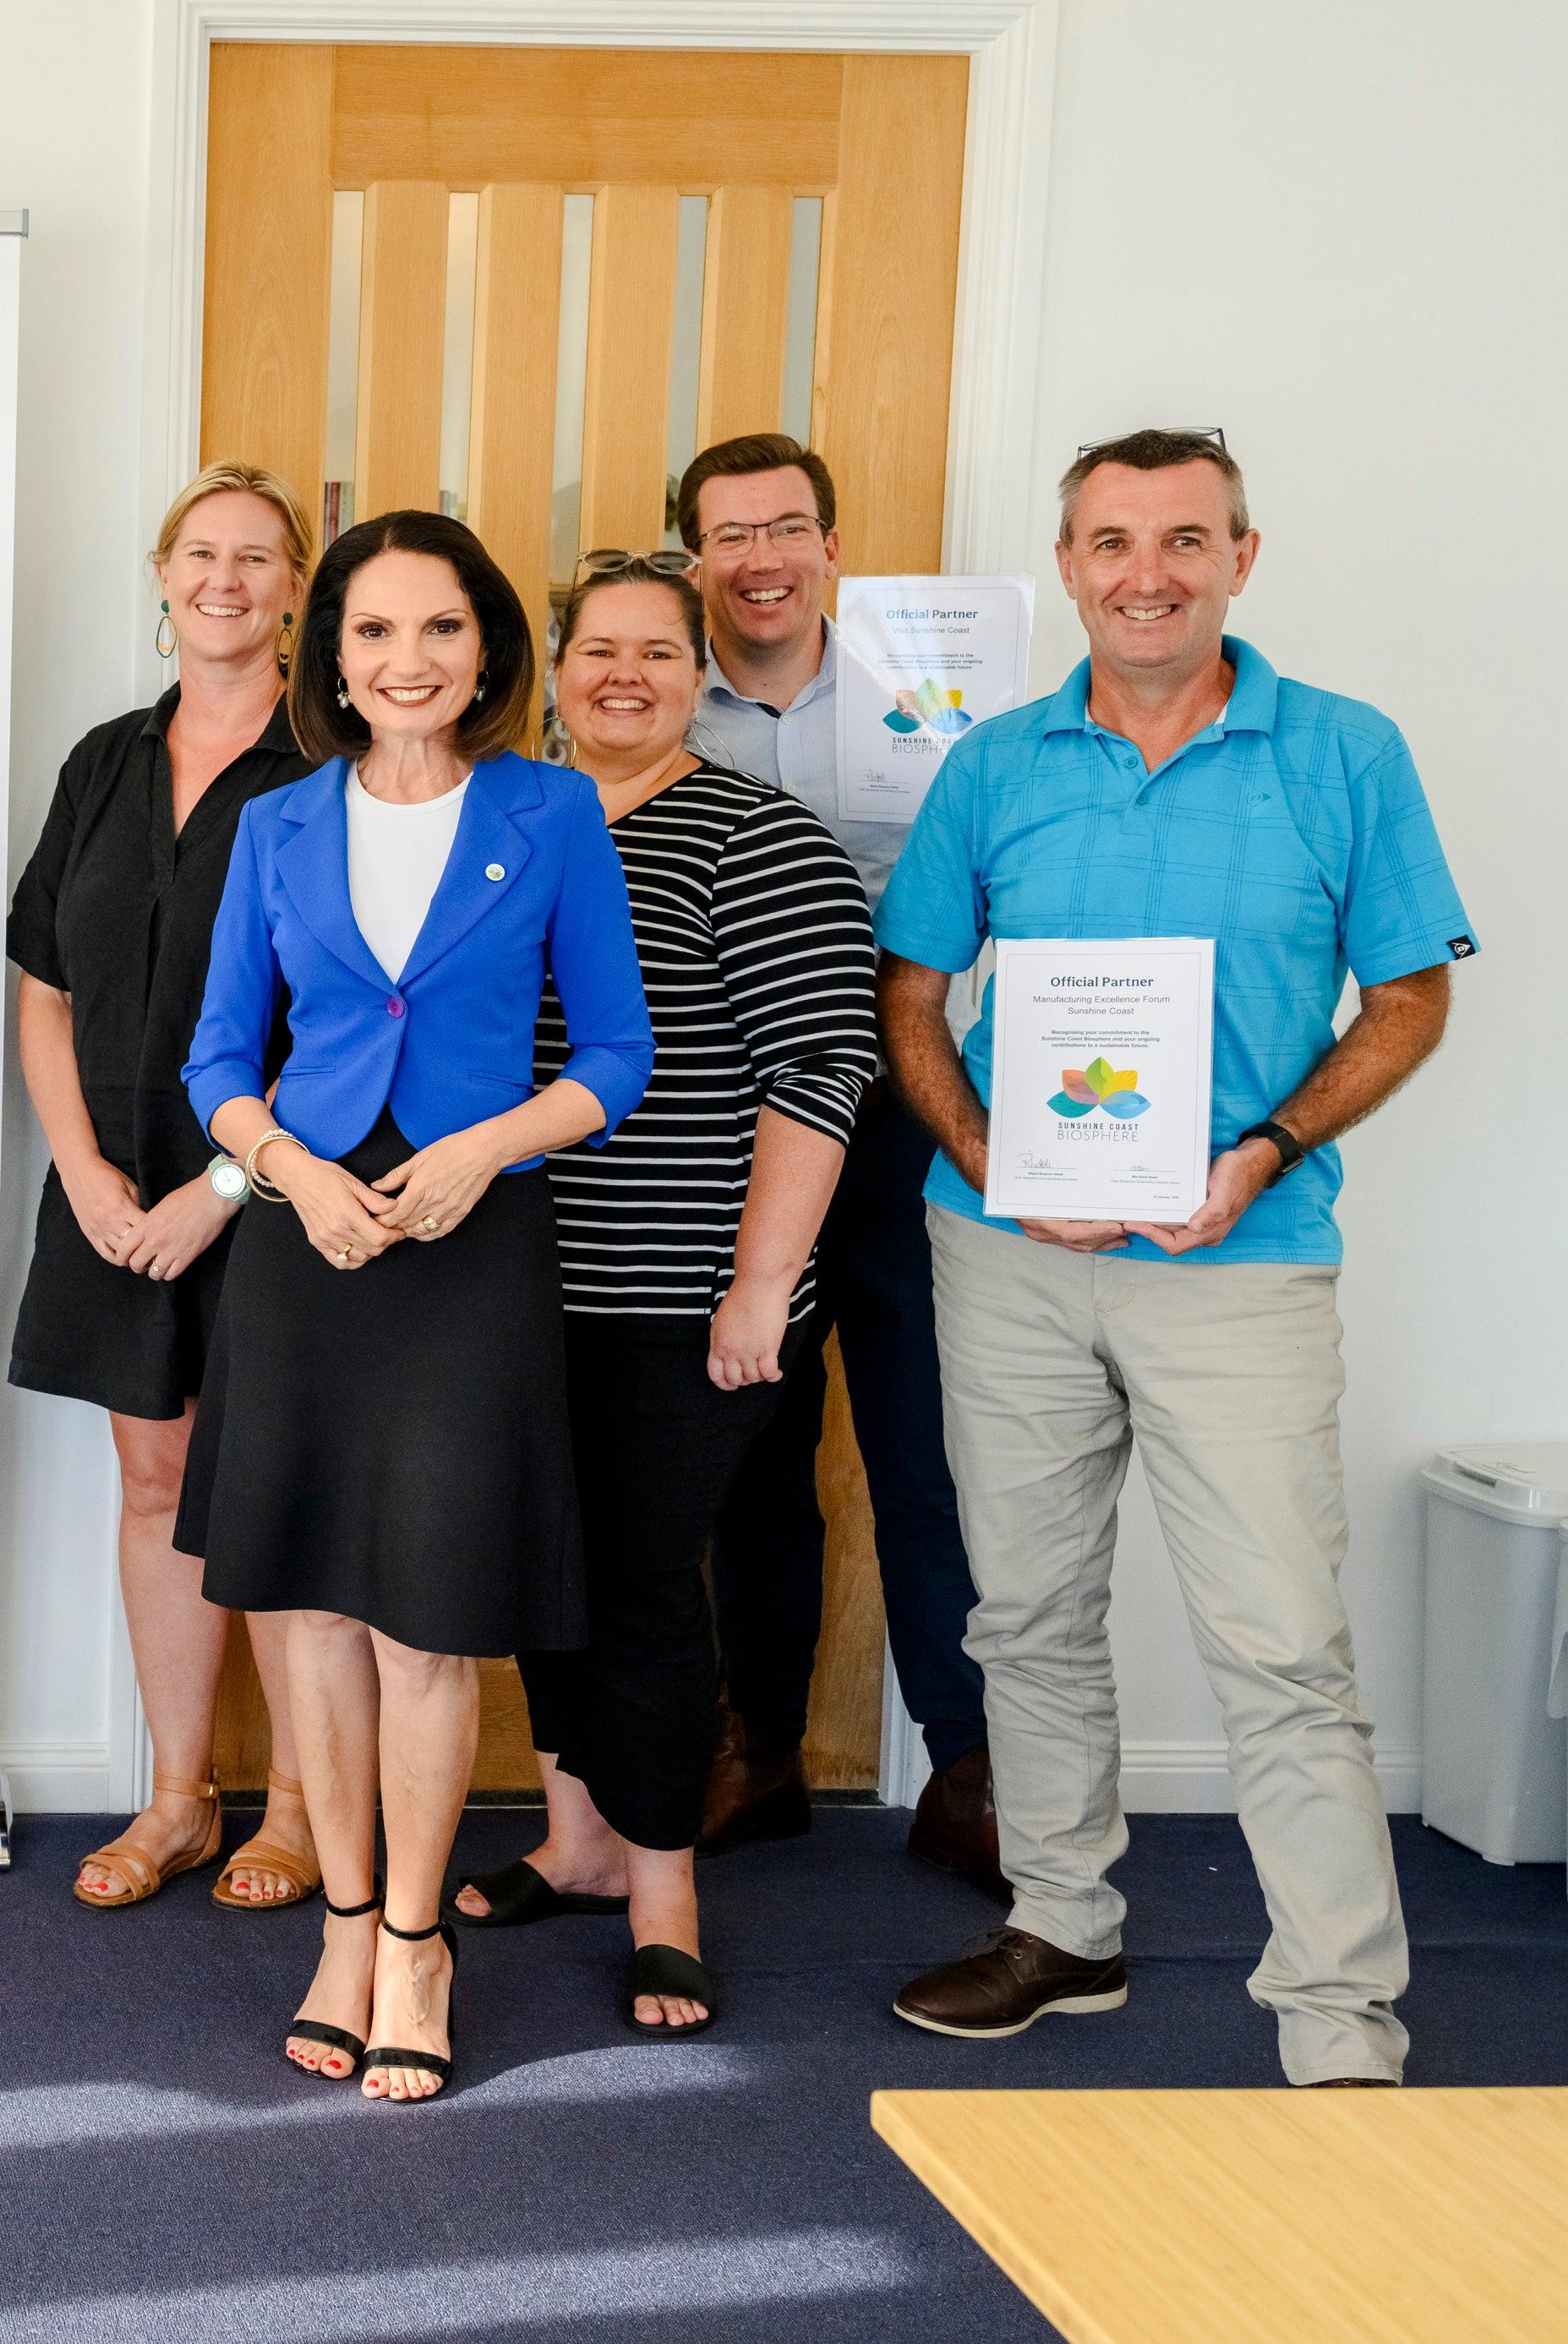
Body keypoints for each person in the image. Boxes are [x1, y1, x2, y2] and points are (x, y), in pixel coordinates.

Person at [877, 429, 1473, 2087]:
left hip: (1243, 1250)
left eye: (1181, 539)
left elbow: (1409, 991)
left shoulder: (1342, 753)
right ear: (1064, 563)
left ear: (1239, 555)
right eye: (1109, 540)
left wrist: (1258, 1149)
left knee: (1279, 1634)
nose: (1145, 571)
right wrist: (993, 1158)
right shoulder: (993, 762)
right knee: (1028, 1607)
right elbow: (912, 995)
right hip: (1007, 1252)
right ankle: (1061, 1925)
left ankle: (1336, 2009)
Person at [178, 510, 653, 2101]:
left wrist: (482, 1155)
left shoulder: (556, 811)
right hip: (306, 1250)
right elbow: (215, 1063)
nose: (406, 662)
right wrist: (291, 1176)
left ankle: (416, 1955)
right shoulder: (277, 825)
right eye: (374, 632)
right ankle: (345, 1924)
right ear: (334, 655)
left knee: (429, 1619)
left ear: (486, 648)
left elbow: (613, 1059)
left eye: (439, 630)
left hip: (469, 1243)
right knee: (309, 1606)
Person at [446, 555, 877, 2035]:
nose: (622, 674)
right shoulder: (507, 821)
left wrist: (760, 1290)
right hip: (508, 1287)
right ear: (554, 671)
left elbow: (825, 1068)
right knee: (544, 1570)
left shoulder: (756, 836)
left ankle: (666, 1897)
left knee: (638, 1587)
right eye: (595, 650)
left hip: (685, 1294)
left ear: (700, 672)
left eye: (656, 650)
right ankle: (575, 1846)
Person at [676, 432, 995, 1881]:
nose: (759, 560)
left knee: (927, 1447)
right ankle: (763, 1750)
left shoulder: (938, 704)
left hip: (915, 1115)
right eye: (730, 535)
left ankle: (970, 1767)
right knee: (757, 1452)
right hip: (737, 1127)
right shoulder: (658, 706)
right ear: (696, 555)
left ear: (832, 544)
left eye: (786, 529)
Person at [8, 464, 323, 1912]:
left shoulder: (332, 766)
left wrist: (220, 1183)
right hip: (112, 1188)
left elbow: (355, 1018)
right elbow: (43, 983)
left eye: (258, 558)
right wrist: (80, 1169)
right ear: (160, 573)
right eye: (201, 552)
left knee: (277, 1485)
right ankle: (181, 1796)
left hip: (271, 1186)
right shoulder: (105, 763)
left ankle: (305, 1812)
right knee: (152, 1479)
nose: (225, 579)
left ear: (294, 588)